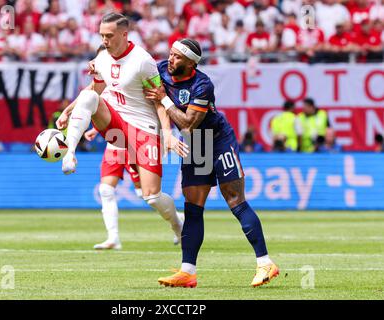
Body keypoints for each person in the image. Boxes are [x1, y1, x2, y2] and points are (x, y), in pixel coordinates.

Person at [143, 38, 279, 288]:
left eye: (177, 57)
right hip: (195, 145)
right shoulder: (161, 70)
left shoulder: (202, 85)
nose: (170, 59)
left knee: (235, 201)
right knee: (193, 207)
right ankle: (188, 272)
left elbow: (187, 123)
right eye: (171, 54)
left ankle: (265, 262)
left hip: (216, 140)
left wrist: (164, 99)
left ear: (191, 62)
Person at [55, 13, 188, 247]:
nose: (104, 40)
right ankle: (70, 153)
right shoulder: (102, 59)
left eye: (109, 36)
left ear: (124, 35)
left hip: (144, 130)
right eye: (101, 36)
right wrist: (68, 110)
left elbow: (159, 100)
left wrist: (167, 133)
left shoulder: (142, 61)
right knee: (88, 96)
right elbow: (94, 91)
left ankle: (178, 225)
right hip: (115, 124)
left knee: (151, 196)